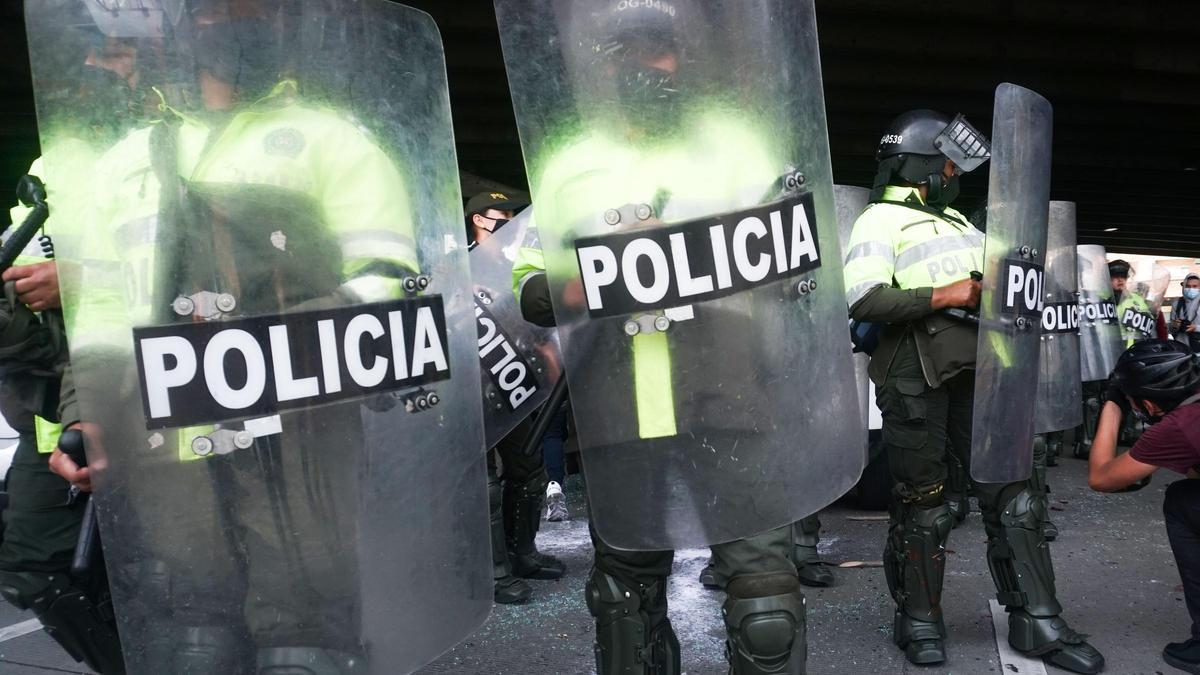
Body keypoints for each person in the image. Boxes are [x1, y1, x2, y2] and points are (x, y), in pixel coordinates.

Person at [46, 1, 431, 670]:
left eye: (254, 8)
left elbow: (390, 286)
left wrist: (267, 336)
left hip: (300, 455)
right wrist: (85, 413)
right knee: (196, 638)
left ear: (283, 23)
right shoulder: (127, 161)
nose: (234, 21)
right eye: (215, 11)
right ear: (181, 24)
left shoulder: (333, 142)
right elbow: (101, 311)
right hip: (171, 463)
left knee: (301, 643)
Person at [510, 2, 808, 672]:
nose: (647, 64)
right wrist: (580, 280)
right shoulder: (569, 166)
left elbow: (797, 263)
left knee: (766, 604)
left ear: (684, 59)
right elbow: (529, 280)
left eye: (661, 49)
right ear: (605, 65)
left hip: (730, 393)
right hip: (619, 406)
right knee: (623, 600)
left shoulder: (737, 146)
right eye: (628, 51)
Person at [842, 109, 1103, 672]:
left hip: (983, 372)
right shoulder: (879, 221)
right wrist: (945, 293)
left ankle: (1038, 619)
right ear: (921, 166)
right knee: (925, 505)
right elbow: (863, 301)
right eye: (948, 165)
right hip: (914, 376)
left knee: (1015, 495)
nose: (954, 175)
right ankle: (918, 619)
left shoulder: (962, 223)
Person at [0, 19, 142, 673]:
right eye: (88, 50)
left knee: (185, 572)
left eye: (115, 50)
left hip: (157, 386)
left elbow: (203, 274)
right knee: (36, 569)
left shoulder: (169, 145)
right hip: (60, 399)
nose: (96, 64)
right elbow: (31, 286)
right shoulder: (47, 163)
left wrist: (85, 278)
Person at [466, 191, 567, 604]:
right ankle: (492, 574)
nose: (509, 226)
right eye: (500, 219)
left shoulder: (516, 264)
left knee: (529, 468)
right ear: (477, 221)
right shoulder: (452, 265)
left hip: (512, 383)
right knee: (484, 485)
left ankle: (523, 553)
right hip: (470, 390)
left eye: (513, 217)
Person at [1087, 340, 1200, 674]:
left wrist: (1112, 404)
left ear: (1149, 404)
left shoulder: (1178, 425)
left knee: (1181, 503)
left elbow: (1101, 476)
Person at [1171, 273, 1200, 352]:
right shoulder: (1176, 304)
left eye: (1195, 286)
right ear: (1183, 287)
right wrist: (1175, 326)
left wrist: (1196, 328)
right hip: (1181, 349)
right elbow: (1171, 329)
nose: (1191, 289)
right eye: (1188, 286)